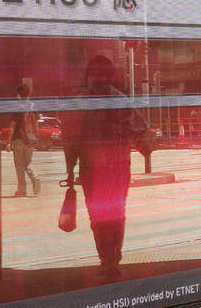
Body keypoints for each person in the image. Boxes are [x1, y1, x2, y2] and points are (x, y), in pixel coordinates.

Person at [64, 56, 145, 283]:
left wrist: (117, 130)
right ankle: (107, 258)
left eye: (101, 74)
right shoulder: (83, 103)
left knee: (111, 213)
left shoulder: (118, 102)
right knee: (101, 215)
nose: (97, 79)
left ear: (109, 77)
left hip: (114, 166)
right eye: (93, 74)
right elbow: (71, 140)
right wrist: (70, 172)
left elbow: (141, 133)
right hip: (95, 168)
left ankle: (111, 259)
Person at [7, 84, 41, 196]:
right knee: (28, 163)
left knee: (19, 166)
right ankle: (35, 177)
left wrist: (8, 142)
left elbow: (12, 126)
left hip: (18, 140)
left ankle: (22, 190)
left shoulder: (17, 107)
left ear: (18, 94)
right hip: (30, 139)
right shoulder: (33, 106)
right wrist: (35, 138)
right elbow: (36, 124)